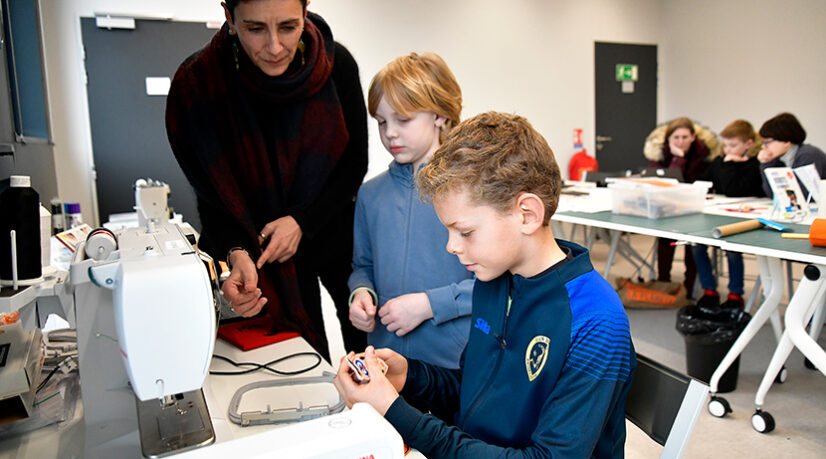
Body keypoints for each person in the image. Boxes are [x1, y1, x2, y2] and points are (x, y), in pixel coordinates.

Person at [335, 112, 636, 457]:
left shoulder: (595, 321)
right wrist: (410, 376)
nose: (452, 246)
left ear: (527, 214)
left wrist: (395, 411)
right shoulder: (496, 280)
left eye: (465, 232)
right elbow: (476, 389)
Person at [165, 0, 368, 361]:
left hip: (331, 226)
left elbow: (353, 165)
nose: (274, 47)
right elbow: (213, 196)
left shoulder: (337, 67)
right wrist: (235, 252)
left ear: (306, 13)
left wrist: (303, 222)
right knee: (290, 358)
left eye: (289, 27)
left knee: (362, 339)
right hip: (260, 249)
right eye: (256, 29)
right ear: (230, 17)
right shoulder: (198, 86)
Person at [348, 52, 474, 370]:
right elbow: (362, 266)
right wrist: (360, 293)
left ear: (440, 116)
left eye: (403, 120)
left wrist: (429, 305)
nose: (390, 133)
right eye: (381, 121)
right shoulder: (370, 194)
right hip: (385, 361)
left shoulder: (472, 191)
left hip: (455, 366)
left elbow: (497, 282)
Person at [693, 120, 765, 309]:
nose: (727, 149)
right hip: (717, 213)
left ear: (748, 144)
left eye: (733, 145)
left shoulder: (754, 164)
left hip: (743, 218)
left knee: (732, 250)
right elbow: (702, 181)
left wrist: (730, 165)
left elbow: (735, 189)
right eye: (725, 145)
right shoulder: (720, 161)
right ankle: (709, 289)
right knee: (696, 246)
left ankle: (735, 293)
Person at [644, 117, 715, 296]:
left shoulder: (704, 156)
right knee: (666, 238)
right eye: (676, 137)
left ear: (693, 137)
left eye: (685, 137)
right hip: (668, 208)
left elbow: (699, 182)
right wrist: (677, 159)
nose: (681, 141)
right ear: (668, 139)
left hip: (696, 209)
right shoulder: (659, 155)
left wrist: (680, 159)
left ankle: (689, 287)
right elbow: (665, 182)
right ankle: (663, 282)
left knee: (692, 241)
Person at [757, 112, 826, 199]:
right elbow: (774, 195)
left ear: (786, 141)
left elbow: (805, 195)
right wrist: (766, 163)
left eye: (767, 142)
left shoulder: (807, 155)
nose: (763, 146)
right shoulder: (778, 159)